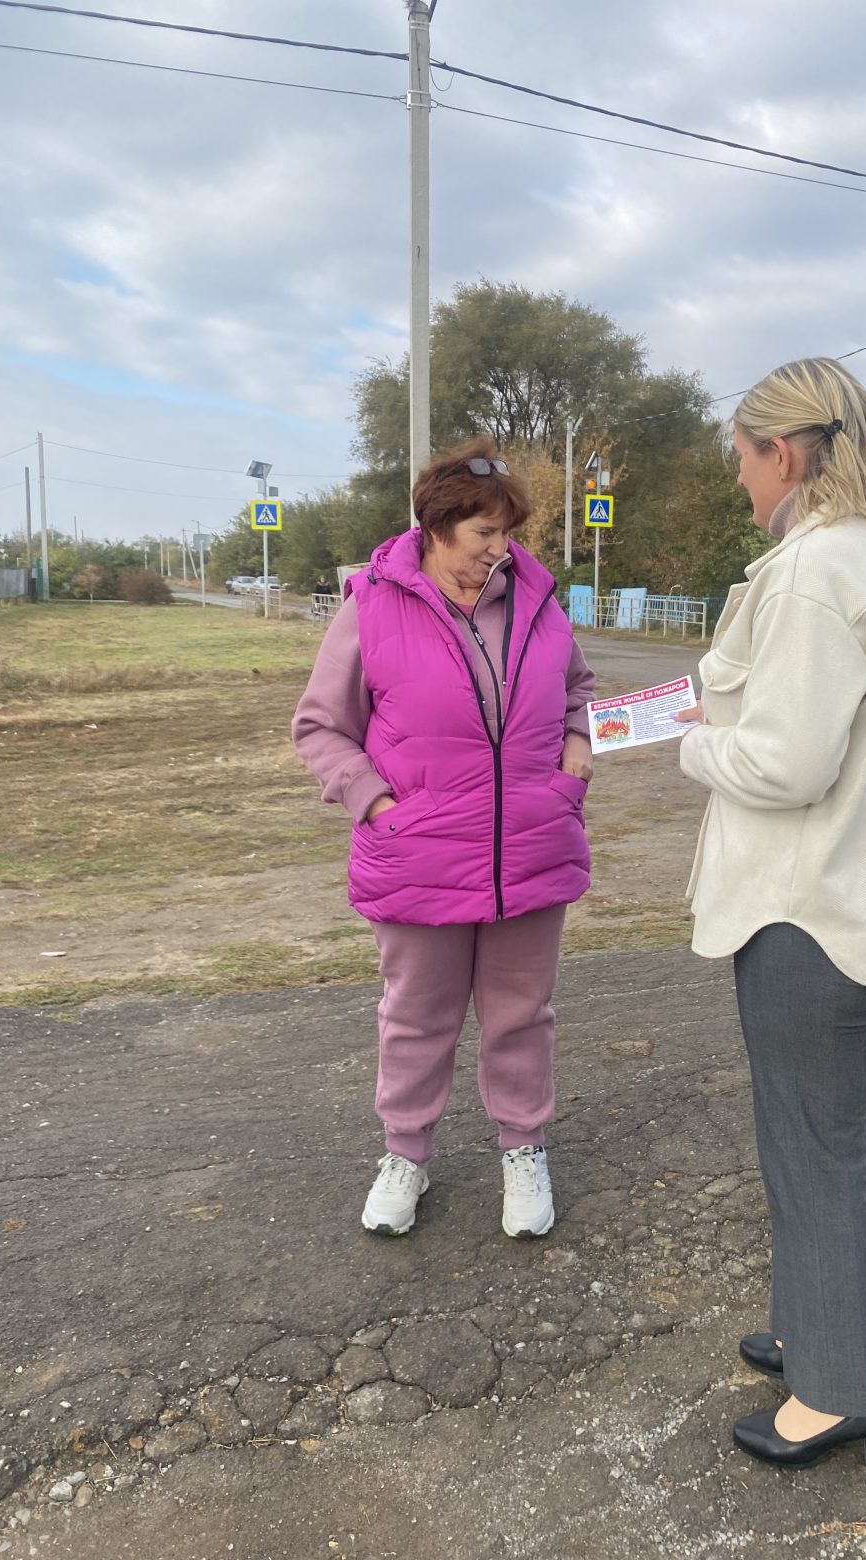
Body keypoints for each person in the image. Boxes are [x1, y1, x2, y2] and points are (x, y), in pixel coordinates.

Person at [675, 357, 866, 1470]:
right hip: (854, 897)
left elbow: (783, 762)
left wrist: (683, 744)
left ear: (783, 453)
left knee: (817, 1144)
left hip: (807, 909)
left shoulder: (814, 572)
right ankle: (811, 1329)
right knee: (821, 1134)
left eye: (741, 457)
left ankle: (842, 1388)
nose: (738, 478)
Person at [292, 436, 595, 1239]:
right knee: (416, 1017)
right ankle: (406, 1156)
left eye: (506, 535)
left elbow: (578, 687)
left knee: (521, 1013)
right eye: (481, 536)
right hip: (418, 854)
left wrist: (577, 748)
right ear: (435, 526)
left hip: (531, 847)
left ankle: (523, 1150)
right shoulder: (373, 604)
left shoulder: (536, 599)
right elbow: (321, 727)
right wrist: (377, 804)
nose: (498, 553)